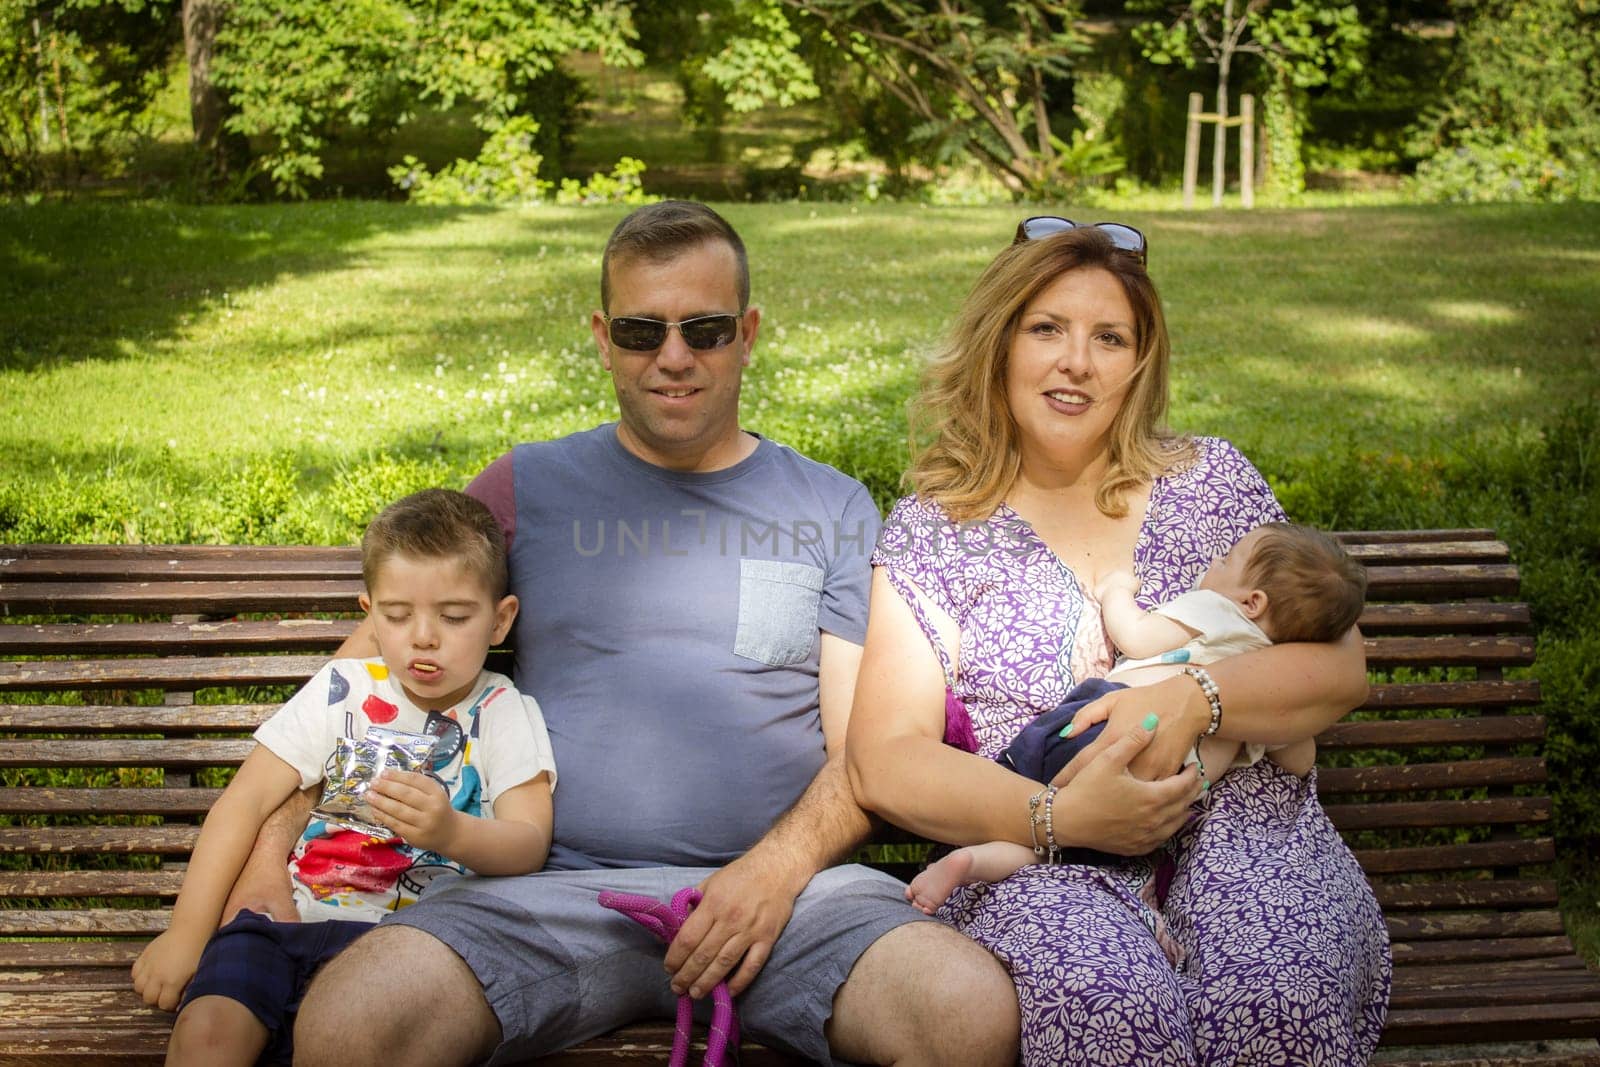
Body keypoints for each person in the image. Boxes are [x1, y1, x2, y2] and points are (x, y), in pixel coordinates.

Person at [230, 201, 1035, 1067]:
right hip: (543, 895)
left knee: (964, 1012)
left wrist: (769, 873)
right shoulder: (523, 487)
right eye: (643, 330)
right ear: (603, 336)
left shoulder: (829, 505)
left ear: (749, 332)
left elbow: (862, 752)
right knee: (352, 1025)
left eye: (707, 328)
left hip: (793, 901)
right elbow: (354, 691)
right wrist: (261, 865)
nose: (675, 356)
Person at [848, 217, 1392, 1064]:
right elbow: (886, 756)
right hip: (1044, 854)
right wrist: (1057, 814)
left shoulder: (1210, 482)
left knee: (1275, 993)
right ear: (1000, 342)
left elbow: (1341, 664)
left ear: (1140, 362)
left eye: (1110, 337)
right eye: (1047, 330)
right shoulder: (937, 530)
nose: (1077, 362)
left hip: (1244, 827)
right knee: (1105, 1001)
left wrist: (1195, 696)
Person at [133, 488, 557, 1066]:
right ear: (370, 614)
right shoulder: (343, 690)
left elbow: (529, 842)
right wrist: (187, 933)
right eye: (397, 615)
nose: (423, 636)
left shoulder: (502, 711)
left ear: (499, 620)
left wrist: (450, 832)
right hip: (286, 920)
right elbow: (246, 802)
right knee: (208, 1034)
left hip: (406, 949)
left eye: (454, 616)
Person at [906, 520, 1368, 913]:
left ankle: (966, 850)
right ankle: (974, 862)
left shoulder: (1219, 614)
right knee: (1060, 850)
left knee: (1046, 810)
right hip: (1154, 795)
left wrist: (1116, 592)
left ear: (1253, 603)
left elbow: (1139, 637)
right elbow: (1299, 758)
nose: (1215, 562)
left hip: (1097, 729)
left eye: (1227, 558)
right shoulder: (1269, 688)